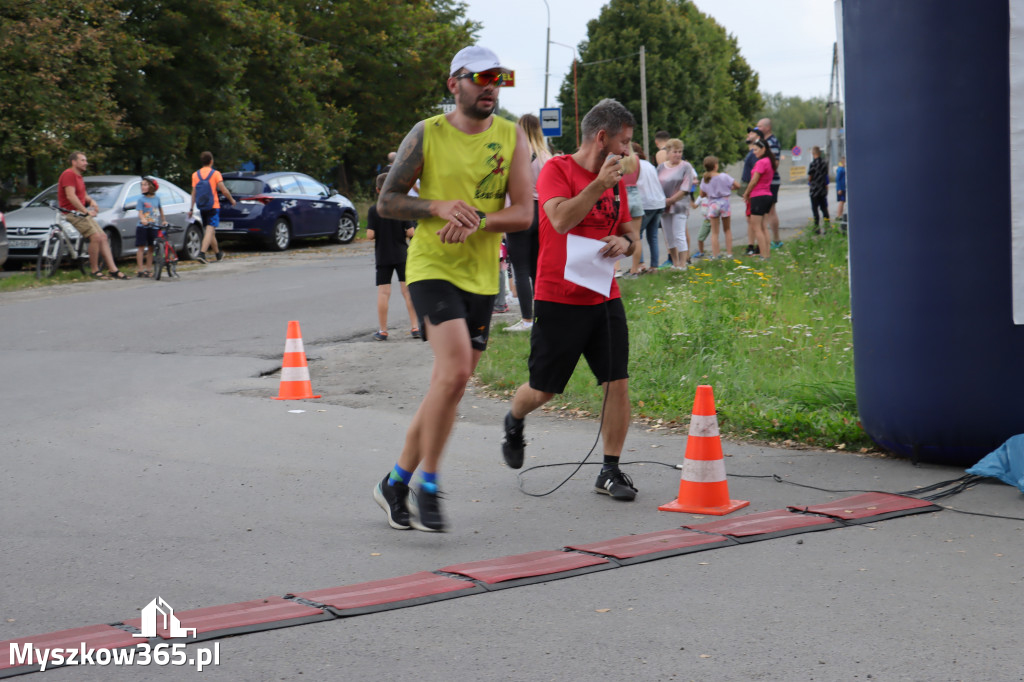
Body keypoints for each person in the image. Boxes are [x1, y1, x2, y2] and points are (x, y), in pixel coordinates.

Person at [372, 45, 533, 533]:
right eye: (479, 77)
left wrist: (479, 218)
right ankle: (430, 484)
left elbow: (524, 213)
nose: (490, 85)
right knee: (458, 368)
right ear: (454, 84)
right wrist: (439, 207)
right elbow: (387, 201)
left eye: (498, 78)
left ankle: (396, 480)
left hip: (482, 276)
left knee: (450, 383)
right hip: (431, 266)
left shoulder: (511, 138)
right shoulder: (427, 134)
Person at [501, 98, 641, 502]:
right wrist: (598, 184)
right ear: (602, 138)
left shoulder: (617, 180)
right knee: (543, 391)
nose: (627, 152)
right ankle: (514, 418)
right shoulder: (557, 170)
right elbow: (560, 219)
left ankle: (610, 470)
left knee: (617, 383)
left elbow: (631, 233)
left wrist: (625, 241)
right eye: (624, 142)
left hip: (604, 296)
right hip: (558, 298)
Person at [504, 113, 551, 332]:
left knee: (520, 268)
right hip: (541, 213)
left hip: (519, 212)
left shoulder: (516, 154)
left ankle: (526, 319)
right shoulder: (546, 156)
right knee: (537, 269)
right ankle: (543, 315)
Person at [57, 151, 128, 280]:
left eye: (86, 160)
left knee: (103, 236)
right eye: (83, 160)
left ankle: (113, 270)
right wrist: (85, 211)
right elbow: (71, 196)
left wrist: (91, 201)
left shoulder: (78, 176)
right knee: (95, 237)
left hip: (80, 213)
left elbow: (81, 195)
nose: (86, 163)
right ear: (74, 162)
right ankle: (95, 270)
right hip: (71, 213)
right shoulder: (68, 174)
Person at [367, 173, 419, 341]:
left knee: (384, 292)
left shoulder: (374, 210)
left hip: (383, 255)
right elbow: (411, 231)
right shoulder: (401, 208)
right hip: (402, 254)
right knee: (407, 291)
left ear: (377, 190)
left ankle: (383, 330)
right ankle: (415, 327)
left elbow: (369, 234)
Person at [188, 151, 236, 264]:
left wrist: (191, 208)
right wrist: (231, 200)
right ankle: (202, 254)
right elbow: (223, 190)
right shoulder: (215, 174)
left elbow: (193, 193)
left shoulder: (195, 175)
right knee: (210, 230)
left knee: (211, 231)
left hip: (202, 206)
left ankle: (218, 253)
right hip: (213, 206)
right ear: (211, 161)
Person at [656, 138, 697, 269]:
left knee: (679, 234)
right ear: (668, 152)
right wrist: (663, 201)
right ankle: (675, 262)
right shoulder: (661, 167)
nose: (677, 154)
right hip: (663, 206)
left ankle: (683, 264)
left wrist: (671, 200)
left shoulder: (686, 166)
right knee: (669, 236)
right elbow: (656, 185)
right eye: (675, 151)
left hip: (679, 205)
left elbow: (685, 187)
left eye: (680, 151)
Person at [632, 142, 666, 273]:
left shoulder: (634, 165)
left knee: (637, 235)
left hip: (645, 203)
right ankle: (654, 266)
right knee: (653, 236)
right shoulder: (650, 165)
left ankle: (640, 264)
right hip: (658, 202)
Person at [699, 156, 740, 258]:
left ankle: (715, 255)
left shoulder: (705, 179)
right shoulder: (724, 176)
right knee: (727, 229)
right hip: (724, 203)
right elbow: (737, 185)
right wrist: (730, 188)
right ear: (716, 166)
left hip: (712, 204)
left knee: (714, 232)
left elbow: (702, 194)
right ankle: (729, 253)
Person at [741, 138, 775, 259]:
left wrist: (746, 193)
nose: (754, 152)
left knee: (756, 228)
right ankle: (767, 254)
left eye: (756, 150)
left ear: (763, 149)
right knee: (763, 227)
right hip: (767, 195)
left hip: (758, 196)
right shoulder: (769, 161)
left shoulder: (761, 162)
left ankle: (763, 255)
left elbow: (754, 180)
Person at [754, 118, 783, 249]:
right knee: (766, 212)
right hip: (766, 181)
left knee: (770, 211)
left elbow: (775, 163)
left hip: (771, 181)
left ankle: (775, 240)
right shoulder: (764, 142)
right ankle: (767, 239)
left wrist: (763, 173)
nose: (757, 128)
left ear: (767, 128)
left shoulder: (772, 142)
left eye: (759, 126)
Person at [135, 177, 165, 278]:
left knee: (151, 248)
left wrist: (163, 220)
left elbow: (160, 210)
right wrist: (143, 219)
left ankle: (148, 269)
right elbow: (140, 212)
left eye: (145, 185)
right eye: (142, 185)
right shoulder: (141, 199)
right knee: (141, 248)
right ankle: (140, 269)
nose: (142, 187)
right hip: (143, 227)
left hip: (154, 226)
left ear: (151, 187)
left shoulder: (156, 198)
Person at [740, 131, 759, 256]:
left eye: (750, 133)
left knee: (753, 218)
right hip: (746, 184)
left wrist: (748, 191)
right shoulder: (750, 152)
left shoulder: (754, 154)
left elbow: (755, 174)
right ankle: (751, 244)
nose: (748, 136)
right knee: (749, 218)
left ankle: (755, 245)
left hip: (750, 186)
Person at [807, 146, 830, 231]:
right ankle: (827, 227)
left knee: (815, 209)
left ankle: (816, 228)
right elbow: (826, 176)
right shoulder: (824, 163)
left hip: (814, 190)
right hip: (822, 189)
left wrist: (810, 183)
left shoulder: (812, 164)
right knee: (824, 209)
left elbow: (810, 177)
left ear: (813, 153)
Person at [835, 156, 846, 222]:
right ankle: (838, 215)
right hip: (841, 188)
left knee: (843, 201)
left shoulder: (842, 169)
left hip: (843, 188)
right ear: (842, 162)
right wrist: (839, 189)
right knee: (841, 202)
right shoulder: (840, 169)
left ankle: (840, 215)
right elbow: (838, 179)